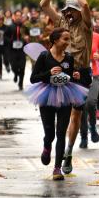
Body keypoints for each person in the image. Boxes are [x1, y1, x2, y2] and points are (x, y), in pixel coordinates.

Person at [40, 0, 92, 175]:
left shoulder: (86, 25)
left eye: (73, 10)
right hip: (62, 73)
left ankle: (68, 151)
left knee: (76, 115)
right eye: (67, 10)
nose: (69, 13)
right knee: (61, 115)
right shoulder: (61, 22)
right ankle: (51, 145)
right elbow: (44, 5)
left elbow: (86, 5)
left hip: (82, 74)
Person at [27, 27, 88, 180]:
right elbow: (33, 78)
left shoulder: (69, 58)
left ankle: (57, 169)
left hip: (65, 96)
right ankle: (47, 146)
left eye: (69, 39)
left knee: (61, 133)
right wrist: (49, 73)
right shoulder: (44, 56)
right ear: (55, 40)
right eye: (65, 39)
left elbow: (68, 77)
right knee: (50, 134)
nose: (68, 42)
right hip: (46, 96)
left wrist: (75, 75)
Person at [79, 30, 99, 149]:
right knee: (81, 107)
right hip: (79, 75)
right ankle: (84, 136)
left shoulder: (98, 37)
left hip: (94, 74)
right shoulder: (74, 36)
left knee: (91, 102)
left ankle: (93, 126)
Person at [5, 10, 29, 90]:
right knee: (14, 66)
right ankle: (15, 74)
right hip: (12, 50)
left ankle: (20, 83)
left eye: (20, 16)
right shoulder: (10, 27)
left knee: (22, 67)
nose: (18, 17)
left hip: (22, 50)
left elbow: (28, 35)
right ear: (14, 17)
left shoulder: (24, 27)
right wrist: (10, 41)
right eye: (17, 15)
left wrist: (26, 38)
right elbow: (5, 37)